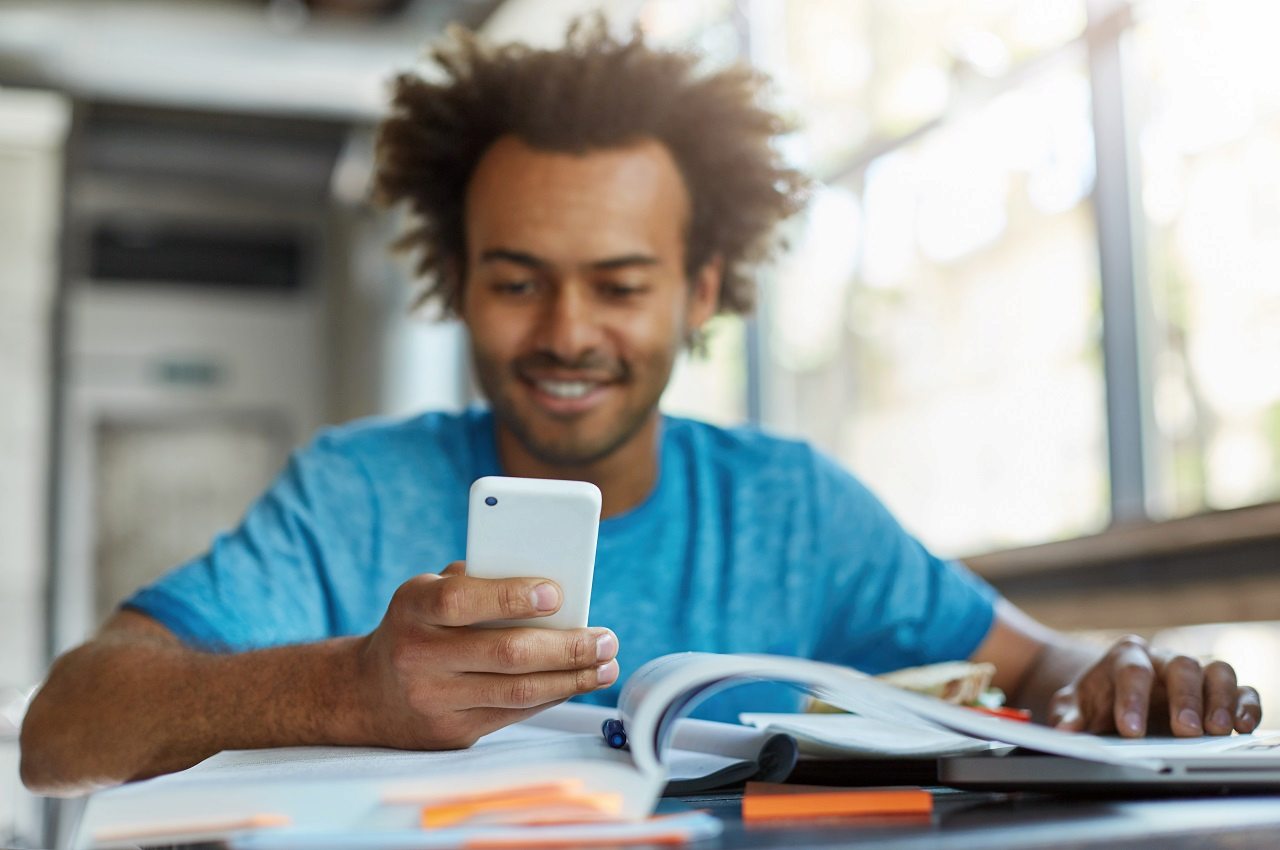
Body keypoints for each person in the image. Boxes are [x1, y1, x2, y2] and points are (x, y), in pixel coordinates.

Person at [20, 20, 1261, 797]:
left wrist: (1128, 676)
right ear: (458, 281)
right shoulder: (348, 490)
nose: (566, 335)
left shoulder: (794, 507)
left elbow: (1042, 659)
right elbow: (62, 730)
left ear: (700, 288)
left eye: (618, 284)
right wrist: (343, 688)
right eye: (515, 281)